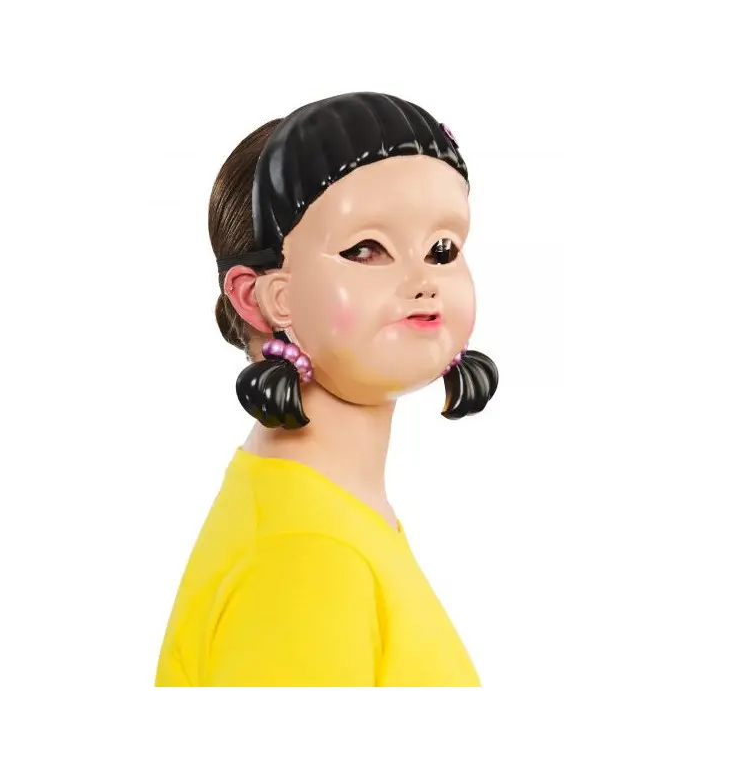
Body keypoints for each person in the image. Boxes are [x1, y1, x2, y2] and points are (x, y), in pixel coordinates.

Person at [155, 92, 498, 686]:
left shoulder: (323, 515)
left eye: (442, 249)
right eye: (366, 249)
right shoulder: (304, 554)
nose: (424, 281)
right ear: (265, 297)